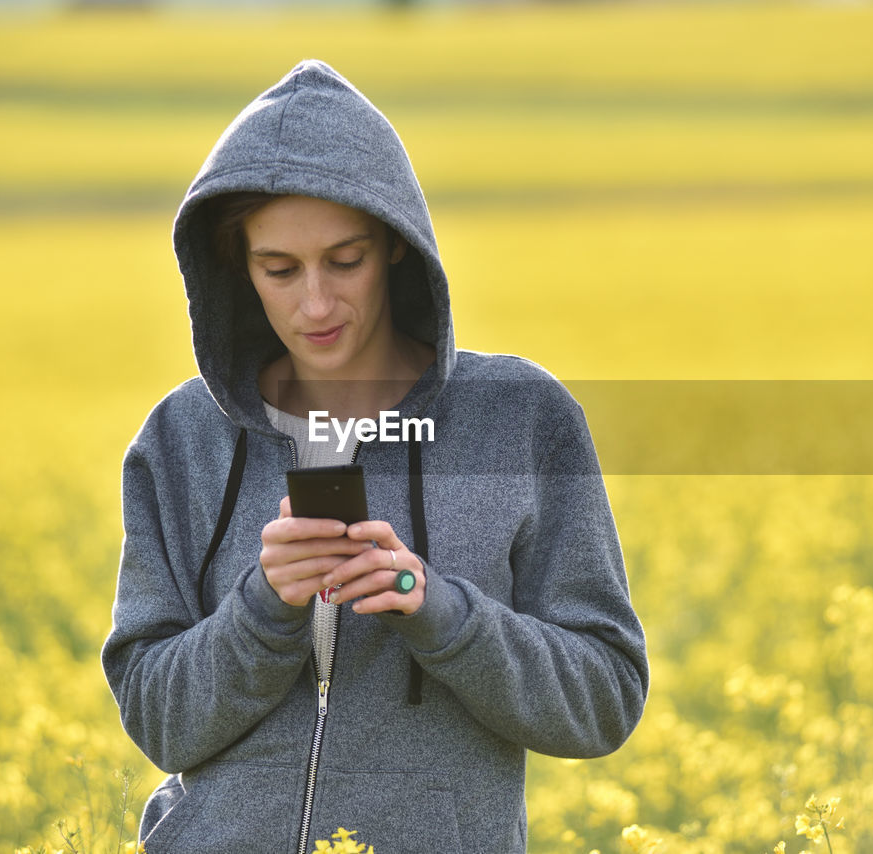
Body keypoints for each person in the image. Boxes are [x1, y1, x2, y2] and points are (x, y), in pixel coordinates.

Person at [101, 59, 648, 854]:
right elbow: (156, 721)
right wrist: (263, 607)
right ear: (236, 267)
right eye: (279, 270)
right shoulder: (183, 438)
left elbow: (604, 698)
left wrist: (433, 606)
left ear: (398, 245)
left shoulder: (519, 419)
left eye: (345, 260)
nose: (315, 304)